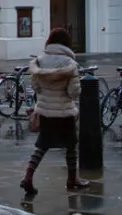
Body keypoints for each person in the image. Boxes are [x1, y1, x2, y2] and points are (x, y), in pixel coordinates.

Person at [20, 27, 90, 195]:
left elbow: (35, 86)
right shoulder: (70, 65)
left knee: (41, 146)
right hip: (64, 112)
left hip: (44, 111)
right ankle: (72, 179)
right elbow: (74, 92)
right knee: (71, 146)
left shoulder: (39, 61)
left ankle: (28, 176)